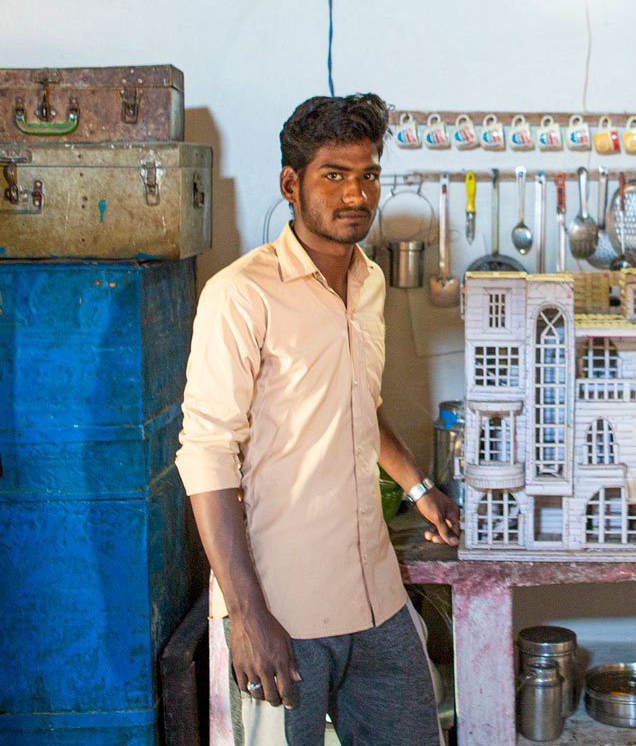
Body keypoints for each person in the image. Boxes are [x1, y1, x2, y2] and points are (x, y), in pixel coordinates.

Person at [175, 93, 460, 746]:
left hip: (376, 595)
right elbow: (207, 453)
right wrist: (245, 614)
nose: (355, 192)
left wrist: (417, 487)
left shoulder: (370, 282)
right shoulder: (241, 294)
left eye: (368, 174)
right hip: (281, 606)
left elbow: (360, 404)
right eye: (334, 174)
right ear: (290, 183)